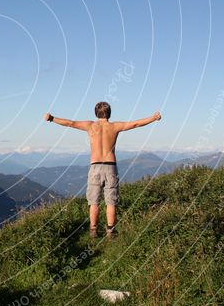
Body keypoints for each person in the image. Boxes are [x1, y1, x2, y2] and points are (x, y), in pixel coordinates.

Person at [45, 102, 161, 238]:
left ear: (96, 113)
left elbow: (70, 123)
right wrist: (153, 118)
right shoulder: (114, 126)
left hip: (95, 166)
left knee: (94, 201)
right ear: (109, 113)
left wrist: (52, 118)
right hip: (110, 166)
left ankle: (93, 230)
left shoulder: (90, 126)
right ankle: (111, 231)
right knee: (111, 201)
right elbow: (135, 124)